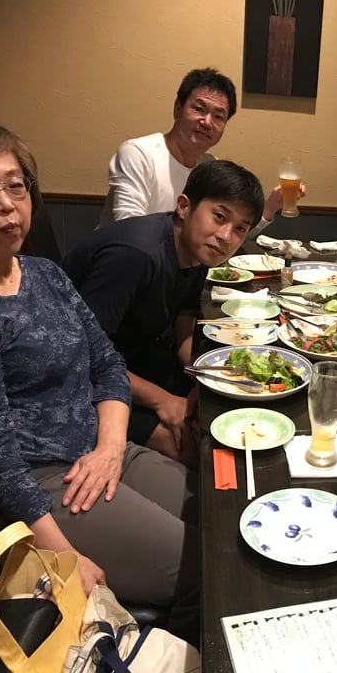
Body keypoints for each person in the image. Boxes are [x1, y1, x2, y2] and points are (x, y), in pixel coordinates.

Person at [0, 118, 200, 644]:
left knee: (221, 514)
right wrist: (61, 555)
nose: (7, 204)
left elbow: (106, 364)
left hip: (95, 452)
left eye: (17, 185)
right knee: (203, 566)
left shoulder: (43, 273)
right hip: (27, 485)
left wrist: (111, 447)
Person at [63, 160, 265, 464]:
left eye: (240, 228)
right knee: (198, 450)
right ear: (184, 206)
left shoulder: (199, 252)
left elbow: (184, 318)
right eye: (219, 216)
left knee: (226, 416)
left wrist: (198, 375)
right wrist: (163, 401)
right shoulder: (135, 256)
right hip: (76, 384)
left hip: (135, 360)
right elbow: (81, 356)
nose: (226, 236)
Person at [100, 67, 294, 234]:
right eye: (199, 109)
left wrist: (270, 208)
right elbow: (129, 230)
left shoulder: (209, 167)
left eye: (218, 116)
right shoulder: (139, 154)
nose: (207, 122)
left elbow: (228, 235)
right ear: (177, 108)